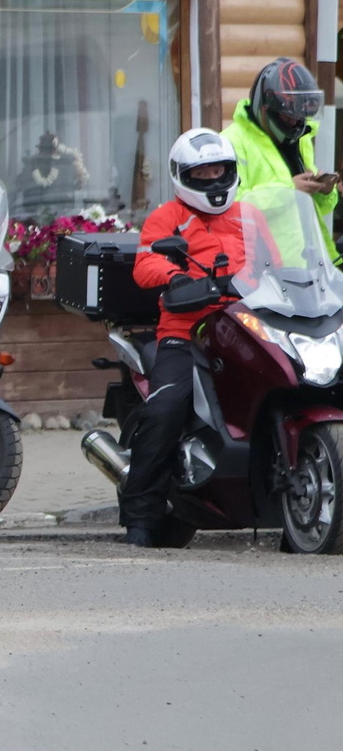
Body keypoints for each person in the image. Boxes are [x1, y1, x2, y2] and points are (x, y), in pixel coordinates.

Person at [118, 127, 253, 547]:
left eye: (220, 170)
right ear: (182, 176)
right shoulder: (167, 216)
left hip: (245, 325)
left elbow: (281, 262)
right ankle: (140, 517)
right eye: (203, 173)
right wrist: (175, 276)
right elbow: (145, 265)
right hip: (186, 330)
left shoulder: (251, 216)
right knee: (166, 410)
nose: (214, 181)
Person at [227, 58, 335, 256]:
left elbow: (313, 207)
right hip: (261, 268)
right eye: (288, 116)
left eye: (300, 116)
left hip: (308, 264)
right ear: (265, 108)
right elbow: (231, 210)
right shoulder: (231, 142)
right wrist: (288, 191)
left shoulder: (301, 139)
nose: (295, 123)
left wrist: (324, 191)